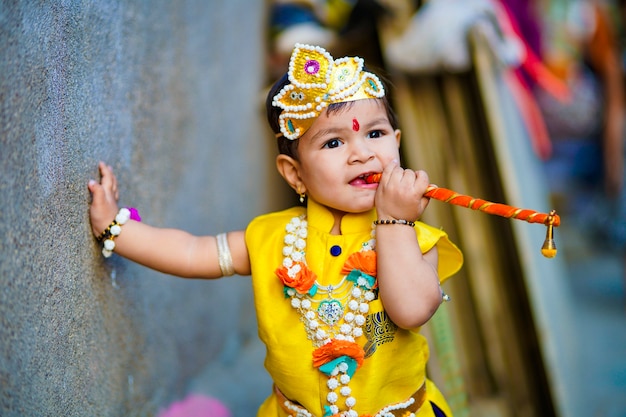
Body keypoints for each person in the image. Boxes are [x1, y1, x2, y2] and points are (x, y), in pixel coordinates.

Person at [88, 43, 463, 417]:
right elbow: (192, 253)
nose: (362, 153)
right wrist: (116, 229)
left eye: (375, 134)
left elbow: (411, 310)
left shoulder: (414, 239)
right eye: (334, 142)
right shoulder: (273, 237)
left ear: (397, 143)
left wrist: (395, 220)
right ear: (294, 173)